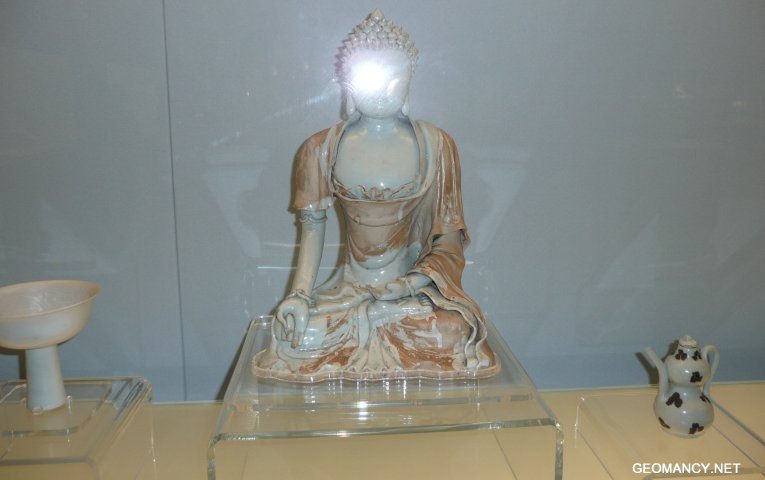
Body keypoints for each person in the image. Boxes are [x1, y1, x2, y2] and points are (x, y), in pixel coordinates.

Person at [253, 10, 498, 381]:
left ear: (411, 80)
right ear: (348, 84)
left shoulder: (437, 146)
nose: (383, 89)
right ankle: (368, 322)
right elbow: (312, 231)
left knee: (455, 331)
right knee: (298, 334)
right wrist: (298, 297)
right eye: (370, 77)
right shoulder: (320, 148)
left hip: (411, 293)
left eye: (395, 77)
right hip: (347, 291)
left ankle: (380, 320)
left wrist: (410, 284)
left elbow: (449, 242)